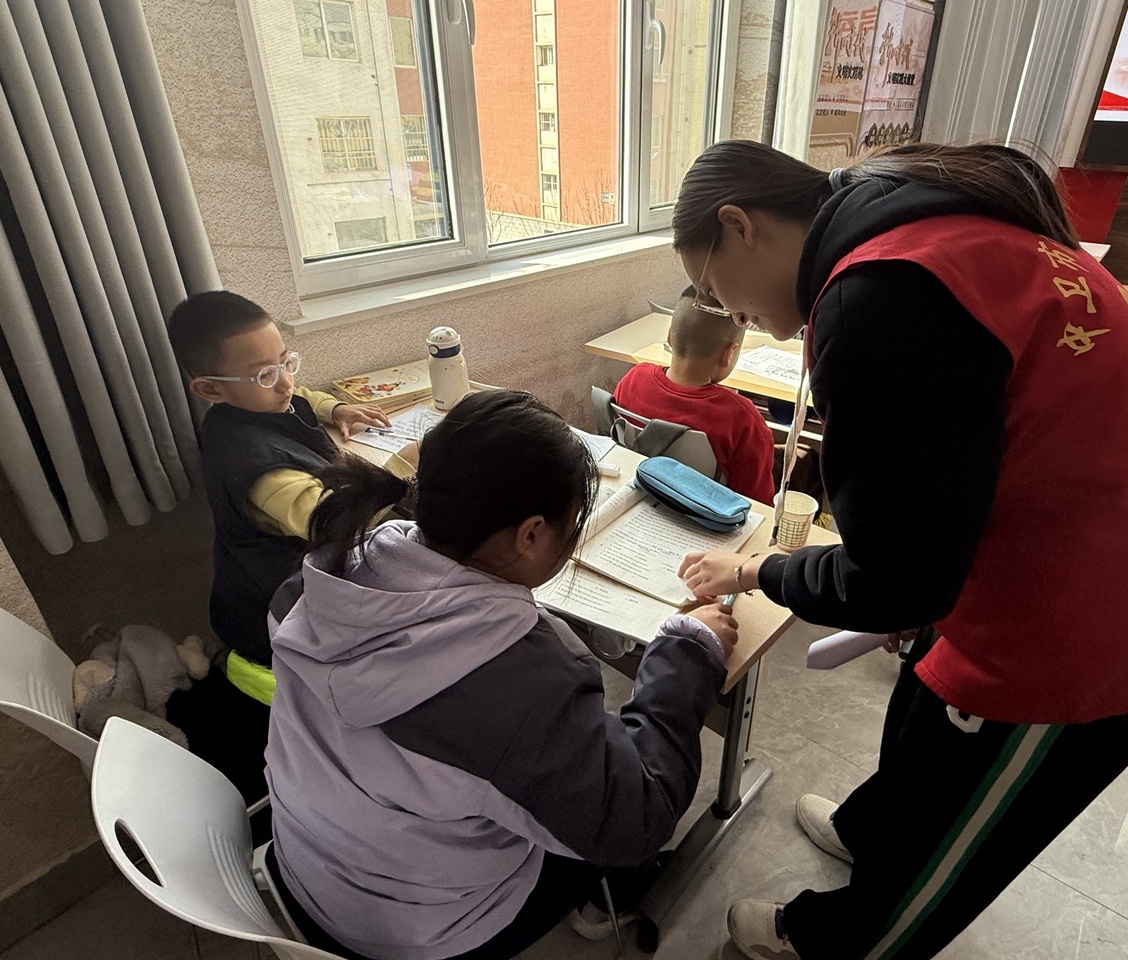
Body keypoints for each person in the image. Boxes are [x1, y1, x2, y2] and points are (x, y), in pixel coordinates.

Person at [670, 140, 1128, 960]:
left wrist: (758, 571)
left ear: (740, 226)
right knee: (925, 702)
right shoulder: (919, 228)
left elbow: (895, 581)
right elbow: (928, 525)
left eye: (714, 288)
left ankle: (840, 938)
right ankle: (872, 832)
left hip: (1112, 611)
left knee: (951, 835)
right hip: (1064, 537)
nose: (726, 311)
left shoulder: (878, 296)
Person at [263, 389, 739, 960]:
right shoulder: (528, 683)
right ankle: (610, 899)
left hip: (308, 868)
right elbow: (637, 819)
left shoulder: (313, 582)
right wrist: (688, 649)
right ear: (530, 534)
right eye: (572, 525)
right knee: (607, 823)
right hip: (416, 934)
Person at [166, 291, 403, 800]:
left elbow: (302, 398)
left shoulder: (255, 403)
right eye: (265, 374)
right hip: (275, 614)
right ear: (210, 389)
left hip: (266, 587)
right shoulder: (259, 470)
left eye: (286, 361)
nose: (285, 382)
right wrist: (409, 476)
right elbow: (332, 520)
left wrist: (337, 407)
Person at [614, 285, 777, 503]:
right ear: (729, 354)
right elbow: (757, 504)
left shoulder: (633, 379)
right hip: (706, 516)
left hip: (640, 497)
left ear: (670, 337)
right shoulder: (743, 420)